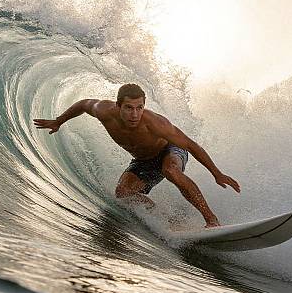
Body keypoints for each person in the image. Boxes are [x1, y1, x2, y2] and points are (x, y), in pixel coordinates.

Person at [33, 83, 240, 227]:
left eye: (139, 108)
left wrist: (216, 173)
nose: (135, 114)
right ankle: (161, 216)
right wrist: (59, 121)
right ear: (118, 106)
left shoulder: (156, 124)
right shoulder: (105, 111)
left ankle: (211, 219)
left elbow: (191, 146)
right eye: (129, 108)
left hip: (171, 151)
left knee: (170, 171)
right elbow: (84, 104)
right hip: (144, 162)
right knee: (122, 193)